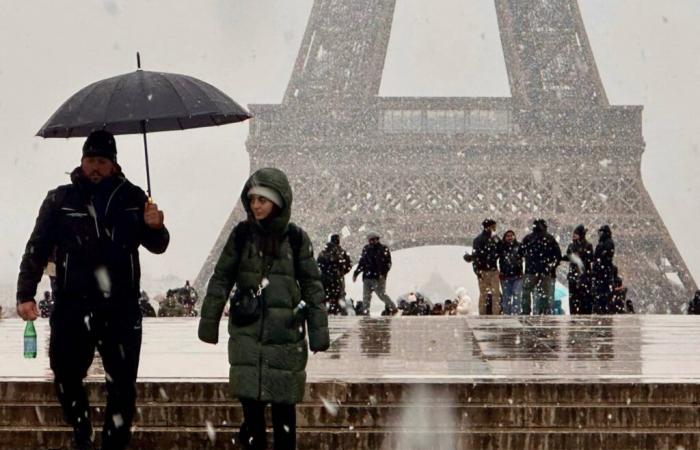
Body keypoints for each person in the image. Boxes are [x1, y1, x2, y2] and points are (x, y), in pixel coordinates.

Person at [16, 130, 169, 450]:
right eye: (90, 160)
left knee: (123, 386)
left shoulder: (134, 197)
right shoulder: (60, 200)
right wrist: (25, 293)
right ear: (82, 162)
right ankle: (81, 425)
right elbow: (37, 247)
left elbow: (158, 245)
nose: (94, 167)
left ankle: (113, 444)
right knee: (64, 373)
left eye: (101, 161)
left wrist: (156, 226)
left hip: (121, 307)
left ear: (113, 164)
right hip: (74, 304)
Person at [198, 167, 329, 450]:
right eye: (252, 199)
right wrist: (208, 324)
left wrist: (319, 333)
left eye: (263, 200)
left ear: (279, 201)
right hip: (248, 336)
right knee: (253, 414)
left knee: (284, 416)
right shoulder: (241, 235)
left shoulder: (296, 238)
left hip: (284, 337)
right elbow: (220, 278)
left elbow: (312, 287)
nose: (256, 205)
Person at [520, 219, 562, 315]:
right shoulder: (550, 239)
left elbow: (520, 252)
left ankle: (526, 311)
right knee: (545, 294)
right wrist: (551, 266)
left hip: (531, 270)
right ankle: (543, 311)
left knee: (526, 291)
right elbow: (557, 255)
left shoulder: (528, 238)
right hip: (546, 271)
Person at [352, 232, 397, 315]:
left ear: (377, 239)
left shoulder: (383, 249)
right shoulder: (366, 249)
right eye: (370, 240)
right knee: (366, 296)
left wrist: (382, 273)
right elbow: (362, 263)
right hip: (367, 276)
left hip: (378, 277)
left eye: (373, 240)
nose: (371, 242)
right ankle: (366, 311)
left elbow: (388, 263)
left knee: (381, 294)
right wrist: (356, 273)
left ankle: (392, 307)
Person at [468, 219, 502, 315]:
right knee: (496, 294)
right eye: (494, 226)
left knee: (483, 295)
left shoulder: (478, 240)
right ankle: (496, 313)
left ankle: (482, 313)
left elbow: (475, 256)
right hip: (492, 269)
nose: (495, 228)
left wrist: (476, 270)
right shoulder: (494, 238)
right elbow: (501, 251)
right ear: (489, 227)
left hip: (483, 270)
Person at [316, 234, 353, 315]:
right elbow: (348, 265)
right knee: (339, 294)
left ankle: (327, 310)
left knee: (326, 295)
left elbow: (318, 263)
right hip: (337, 277)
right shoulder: (341, 252)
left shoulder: (323, 252)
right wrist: (342, 272)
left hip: (325, 277)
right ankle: (337, 310)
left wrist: (324, 272)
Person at [562, 225, 594, 314]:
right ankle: (576, 314)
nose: (573, 236)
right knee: (574, 299)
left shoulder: (587, 245)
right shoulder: (572, 245)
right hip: (576, 276)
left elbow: (589, 259)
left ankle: (581, 313)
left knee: (582, 299)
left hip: (582, 276)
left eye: (575, 234)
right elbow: (569, 257)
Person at [499, 230, 523, 315]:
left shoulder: (519, 246)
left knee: (517, 295)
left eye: (511, 235)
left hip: (517, 276)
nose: (510, 237)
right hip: (505, 276)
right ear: (505, 237)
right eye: (508, 236)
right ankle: (506, 314)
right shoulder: (501, 247)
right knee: (506, 297)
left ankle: (516, 313)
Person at [592, 225, 615, 314]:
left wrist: (598, 261)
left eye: (601, 233)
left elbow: (604, 256)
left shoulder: (606, 243)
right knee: (603, 291)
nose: (600, 234)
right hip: (603, 271)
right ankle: (603, 308)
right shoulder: (606, 242)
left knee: (602, 291)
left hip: (603, 271)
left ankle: (602, 308)